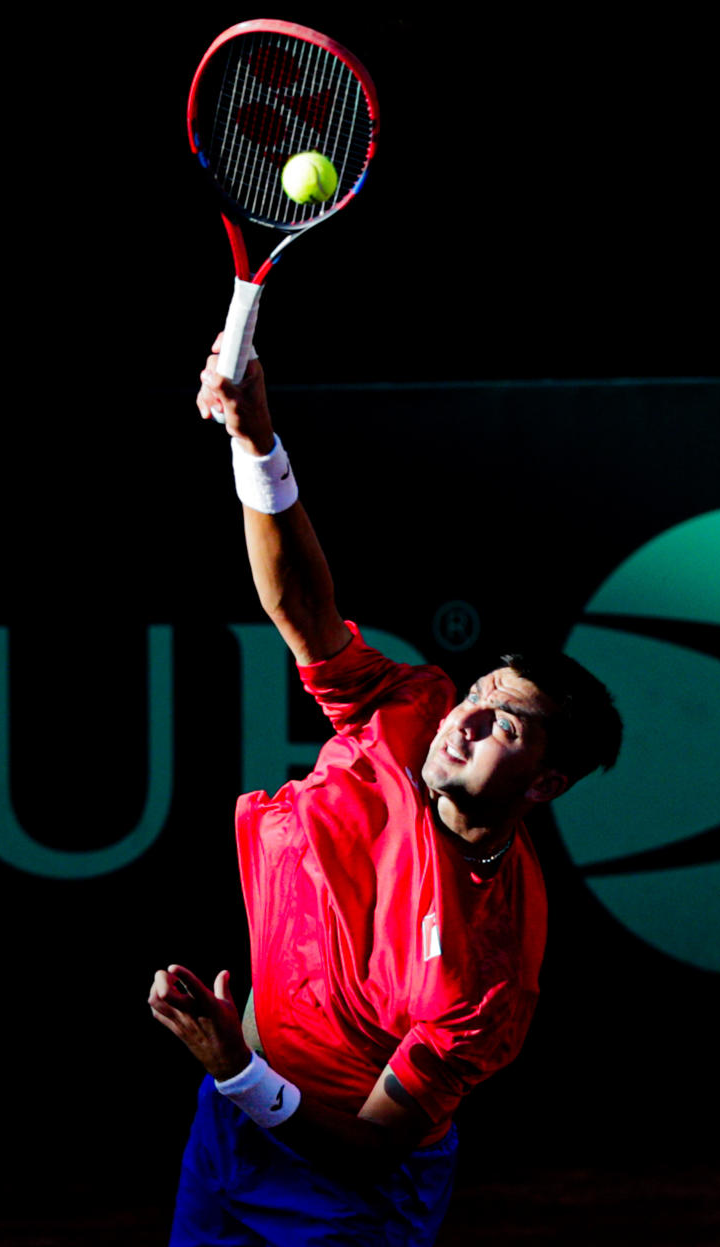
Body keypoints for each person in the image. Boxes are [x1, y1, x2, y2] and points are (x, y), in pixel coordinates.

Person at [148, 340, 622, 1245]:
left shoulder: (490, 969)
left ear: (546, 784)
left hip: (349, 1199)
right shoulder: (408, 709)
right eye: (481, 695)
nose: (468, 720)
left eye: (506, 728)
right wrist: (257, 440)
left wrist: (236, 1067)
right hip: (226, 1132)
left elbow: (372, 1146)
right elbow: (304, 612)